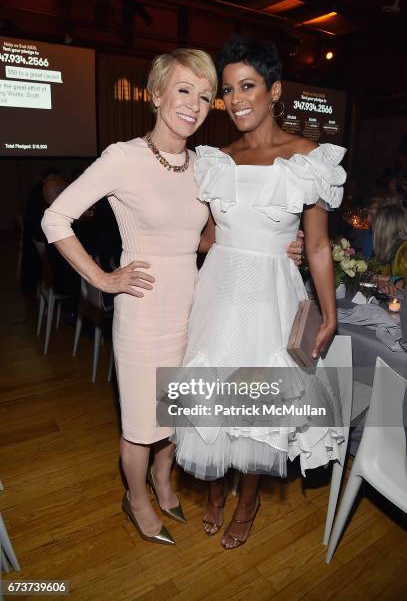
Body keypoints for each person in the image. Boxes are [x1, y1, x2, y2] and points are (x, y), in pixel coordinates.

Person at [40, 46, 306, 546]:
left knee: (176, 413)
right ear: (157, 94)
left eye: (206, 96)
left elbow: (213, 236)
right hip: (143, 309)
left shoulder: (204, 164)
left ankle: (164, 482)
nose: (195, 104)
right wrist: (102, 279)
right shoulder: (123, 157)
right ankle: (136, 497)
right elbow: (54, 219)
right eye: (184, 90)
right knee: (142, 421)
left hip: (196, 304)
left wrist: (279, 244)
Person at [173, 37, 346, 549]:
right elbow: (204, 237)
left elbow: (316, 244)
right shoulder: (216, 159)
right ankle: (214, 490)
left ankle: (246, 501)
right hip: (218, 291)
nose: (236, 99)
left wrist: (330, 314)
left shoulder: (306, 159)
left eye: (247, 86)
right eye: (228, 90)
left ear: (274, 90)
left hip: (271, 293)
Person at [373, 203, 407, 295]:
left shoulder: (404, 252)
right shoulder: (391, 251)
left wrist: (391, 279)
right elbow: (375, 274)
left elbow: (402, 284)